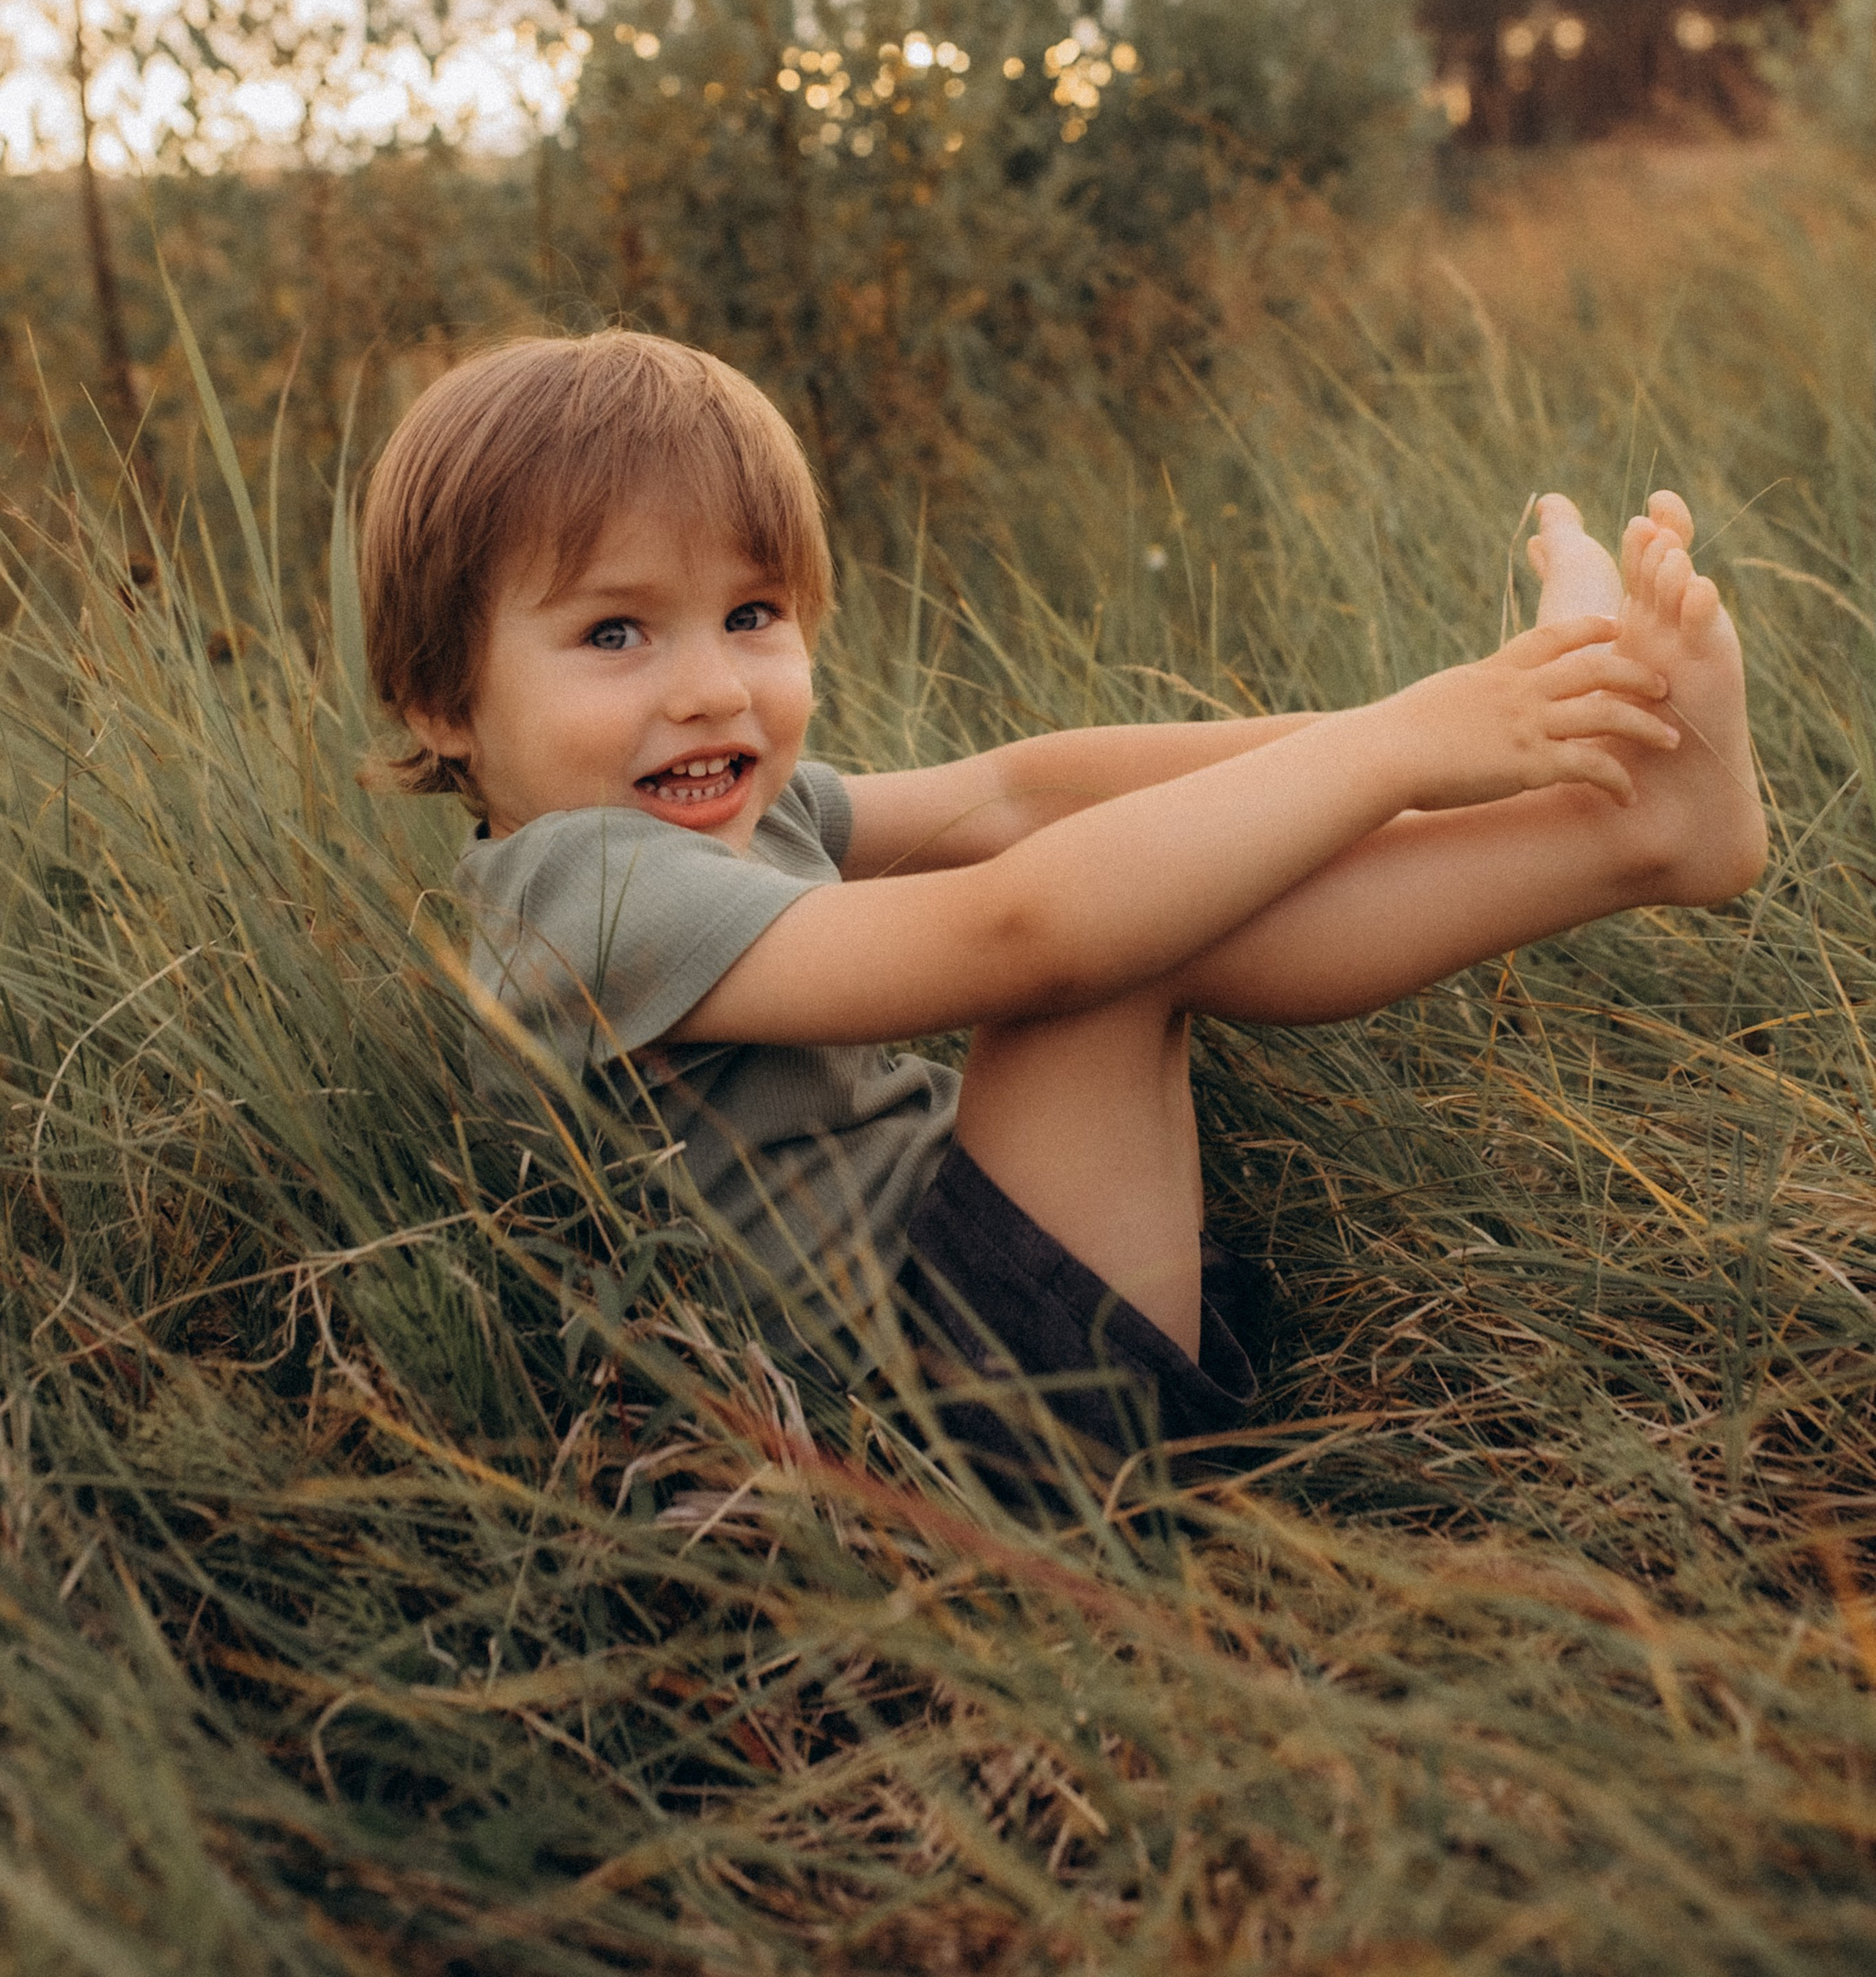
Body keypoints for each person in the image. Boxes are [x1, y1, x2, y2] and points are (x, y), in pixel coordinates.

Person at [358, 331, 1766, 1474]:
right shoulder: (580, 893)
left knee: (1147, 870)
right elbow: (1024, 927)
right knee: (1112, 940)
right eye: (615, 632)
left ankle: (1610, 809)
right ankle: (1630, 844)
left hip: (996, 1321)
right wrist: (1405, 745)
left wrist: (1478, 721)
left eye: (752, 615)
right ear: (441, 699)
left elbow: (1019, 793)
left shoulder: (716, 809)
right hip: (941, 1431)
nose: (712, 688)